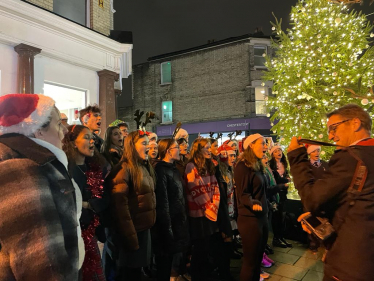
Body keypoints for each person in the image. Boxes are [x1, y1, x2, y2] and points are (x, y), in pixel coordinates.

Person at [0, 94, 84, 280]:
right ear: (38, 131)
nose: (65, 131)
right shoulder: (18, 168)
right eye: (58, 125)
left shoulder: (38, 161)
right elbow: (38, 260)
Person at [287, 104, 374, 281]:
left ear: (355, 123)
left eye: (334, 128)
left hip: (350, 265)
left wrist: (296, 156)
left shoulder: (352, 157)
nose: (330, 136)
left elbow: (312, 199)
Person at [63, 125, 110, 281]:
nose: (92, 141)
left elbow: (106, 199)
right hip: (77, 236)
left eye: (92, 137)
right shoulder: (65, 170)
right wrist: (87, 204)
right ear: (73, 143)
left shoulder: (97, 167)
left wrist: (86, 204)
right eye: (86, 137)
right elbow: (67, 202)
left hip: (96, 233)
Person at [109, 130, 156, 281]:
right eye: (144, 143)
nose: (148, 146)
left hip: (143, 231)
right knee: (131, 274)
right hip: (133, 233)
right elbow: (120, 209)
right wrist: (131, 238)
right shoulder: (123, 169)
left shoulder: (142, 166)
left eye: (148, 143)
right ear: (132, 146)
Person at [152, 139, 189, 281]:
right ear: (168, 151)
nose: (179, 150)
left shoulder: (173, 169)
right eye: (176, 147)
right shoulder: (161, 170)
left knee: (170, 264)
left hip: (177, 222)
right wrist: (168, 231)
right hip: (168, 226)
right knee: (163, 266)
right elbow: (163, 203)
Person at [184, 138, 220, 281]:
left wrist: (214, 204)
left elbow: (215, 186)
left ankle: (204, 273)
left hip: (210, 212)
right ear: (198, 150)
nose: (209, 150)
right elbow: (196, 189)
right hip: (198, 215)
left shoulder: (209, 165)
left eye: (209, 147)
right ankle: (197, 275)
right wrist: (209, 207)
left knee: (207, 246)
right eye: (205, 147)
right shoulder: (191, 166)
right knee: (199, 247)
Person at [234, 133, 268, 281]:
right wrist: (253, 203)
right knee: (250, 263)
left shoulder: (257, 166)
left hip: (261, 218)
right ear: (251, 145)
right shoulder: (242, 166)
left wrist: (280, 186)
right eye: (262, 143)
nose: (265, 147)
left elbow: (261, 190)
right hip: (250, 220)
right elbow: (242, 194)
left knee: (257, 260)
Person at [269, 145, 292, 248]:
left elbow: (286, 177)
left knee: (282, 216)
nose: (279, 152)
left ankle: (281, 237)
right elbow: (275, 180)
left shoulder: (284, 164)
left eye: (280, 150)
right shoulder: (271, 165)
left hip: (283, 194)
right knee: (276, 217)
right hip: (276, 194)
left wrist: (287, 179)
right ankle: (276, 238)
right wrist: (286, 181)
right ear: (272, 154)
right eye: (276, 151)